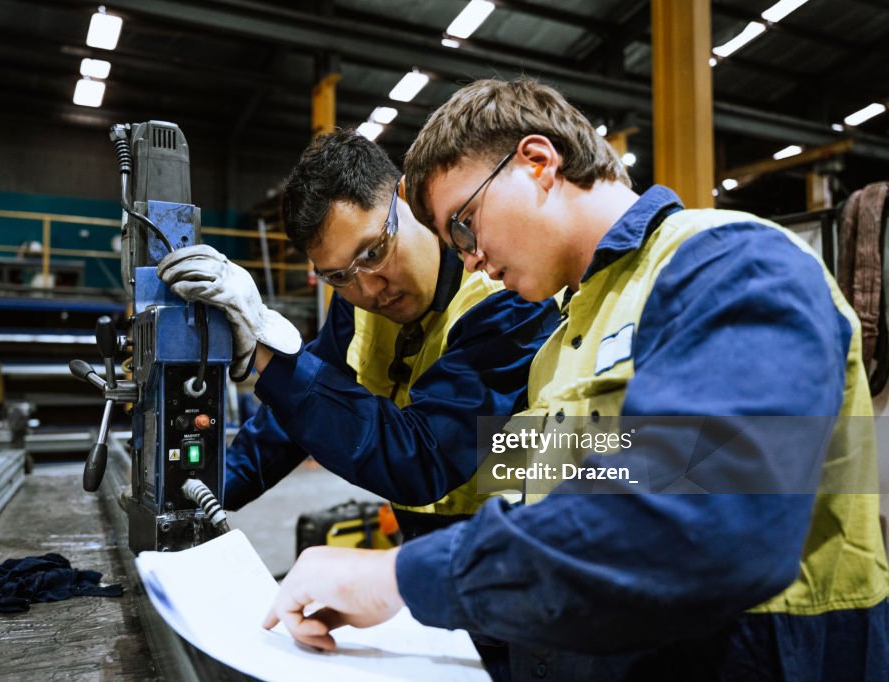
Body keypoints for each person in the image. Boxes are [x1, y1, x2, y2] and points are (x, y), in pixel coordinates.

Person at [263, 78, 889, 680]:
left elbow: (709, 513)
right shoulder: (561, 345)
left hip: (759, 654)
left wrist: (399, 577)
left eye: (464, 223)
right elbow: (535, 480)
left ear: (537, 162)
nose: (471, 257)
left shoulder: (730, 264)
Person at [157, 129, 558, 542]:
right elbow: (295, 418)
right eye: (338, 275)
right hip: (427, 539)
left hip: (520, 537)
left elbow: (422, 458)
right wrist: (203, 492)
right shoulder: (357, 303)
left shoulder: (504, 299)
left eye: (373, 251)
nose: (368, 289)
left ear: (406, 199)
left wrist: (264, 348)